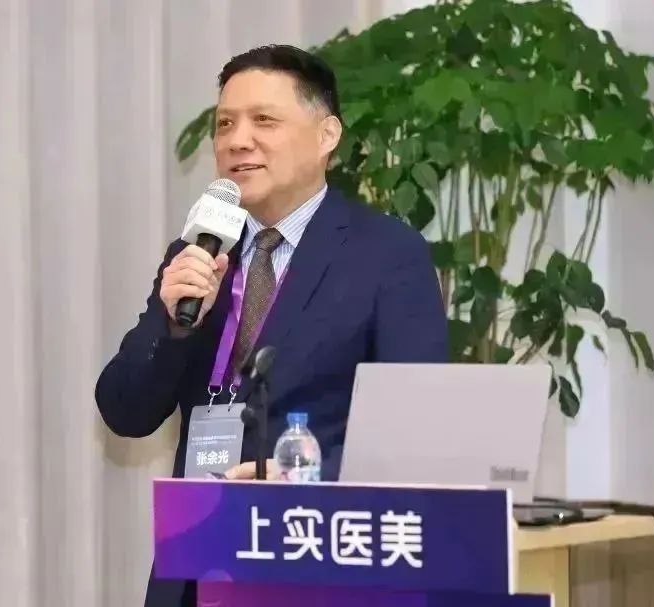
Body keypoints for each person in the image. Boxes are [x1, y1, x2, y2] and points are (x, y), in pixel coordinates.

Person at [94, 44, 449, 607]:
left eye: (264, 120)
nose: (237, 140)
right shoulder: (198, 255)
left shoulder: (386, 255)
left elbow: (418, 428)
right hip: (197, 564)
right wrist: (174, 326)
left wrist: (300, 476)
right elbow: (125, 412)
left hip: (317, 564)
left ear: (327, 135)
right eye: (225, 124)